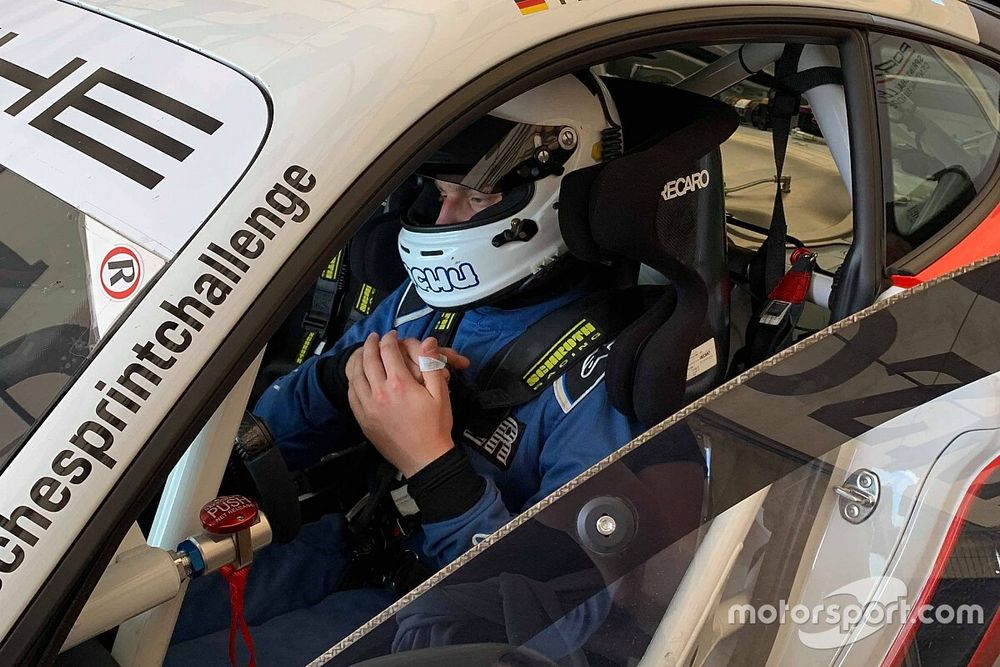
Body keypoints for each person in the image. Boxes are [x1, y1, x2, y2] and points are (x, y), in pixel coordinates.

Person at [167, 73, 642, 666]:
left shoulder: (599, 377)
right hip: (348, 542)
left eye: (478, 197)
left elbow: (555, 624)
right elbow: (273, 434)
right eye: (442, 191)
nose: (444, 219)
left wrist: (432, 465)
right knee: (137, 621)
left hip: (445, 618)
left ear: (557, 196)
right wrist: (344, 381)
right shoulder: (424, 301)